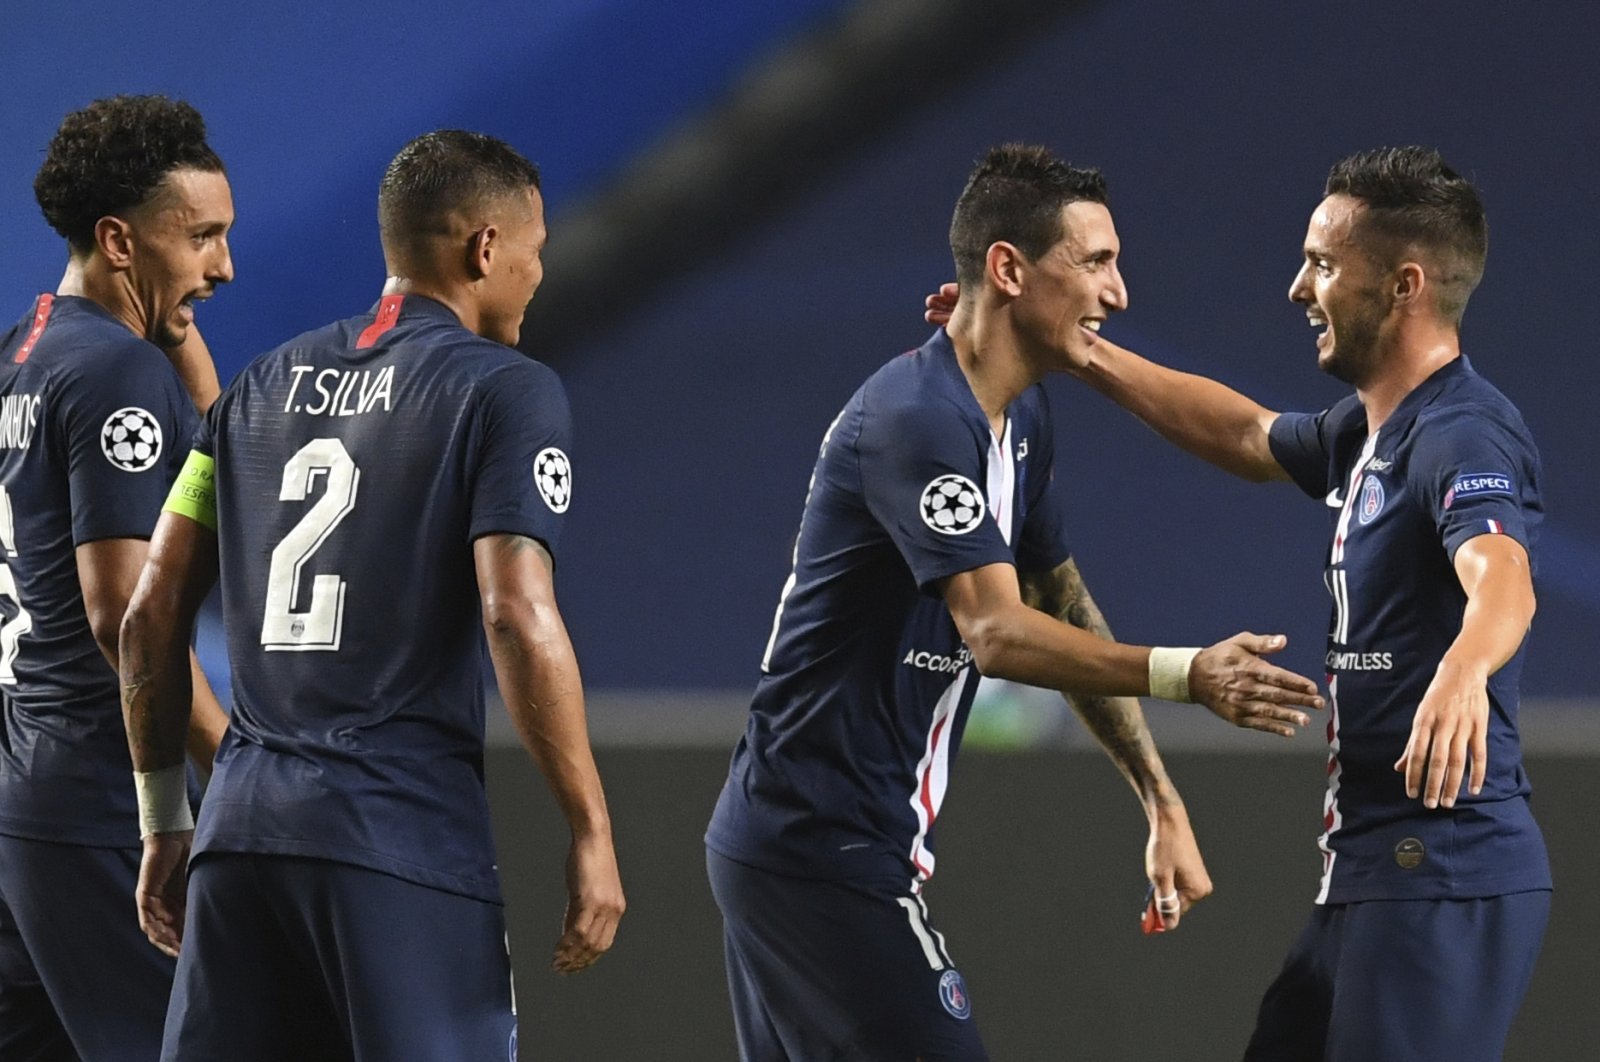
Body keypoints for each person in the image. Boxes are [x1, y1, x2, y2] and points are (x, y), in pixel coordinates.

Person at [704, 143, 1326, 1061]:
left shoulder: (1020, 418)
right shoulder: (918, 420)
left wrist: (1158, 795)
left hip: (820, 848)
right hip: (816, 851)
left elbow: (1059, 601)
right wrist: (1187, 673)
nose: (1117, 294)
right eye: (1096, 262)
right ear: (1008, 268)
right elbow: (994, 632)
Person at [928, 145, 1550, 1061]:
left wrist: (1464, 665)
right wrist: (1080, 348)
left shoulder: (1462, 432)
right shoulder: (1374, 428)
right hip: (1373, 875)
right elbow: (1248, 433)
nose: (1301, 287)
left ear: (1405, 285)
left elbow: (1503, 577)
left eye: (1325, 264)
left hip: (1443, 877)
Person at [117, 130, 625, 1061]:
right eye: (533, 250)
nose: (537, 273)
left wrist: (162, 821)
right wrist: (590, 825)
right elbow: (515, 610)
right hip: (396, 840)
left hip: (240, 840)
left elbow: (148, 615)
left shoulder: (251, 393)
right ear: (484, 249)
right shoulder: (507, 392)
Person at [0, 95, 232, 1062]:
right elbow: (126, 617)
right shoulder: (112, 375)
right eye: (203, 237)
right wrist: (229, 753)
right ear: (119, 239)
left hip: (22, 786)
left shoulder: (26, 351)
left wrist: (170, 325)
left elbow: (227, 452)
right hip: (97, 799)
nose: (223, 266)